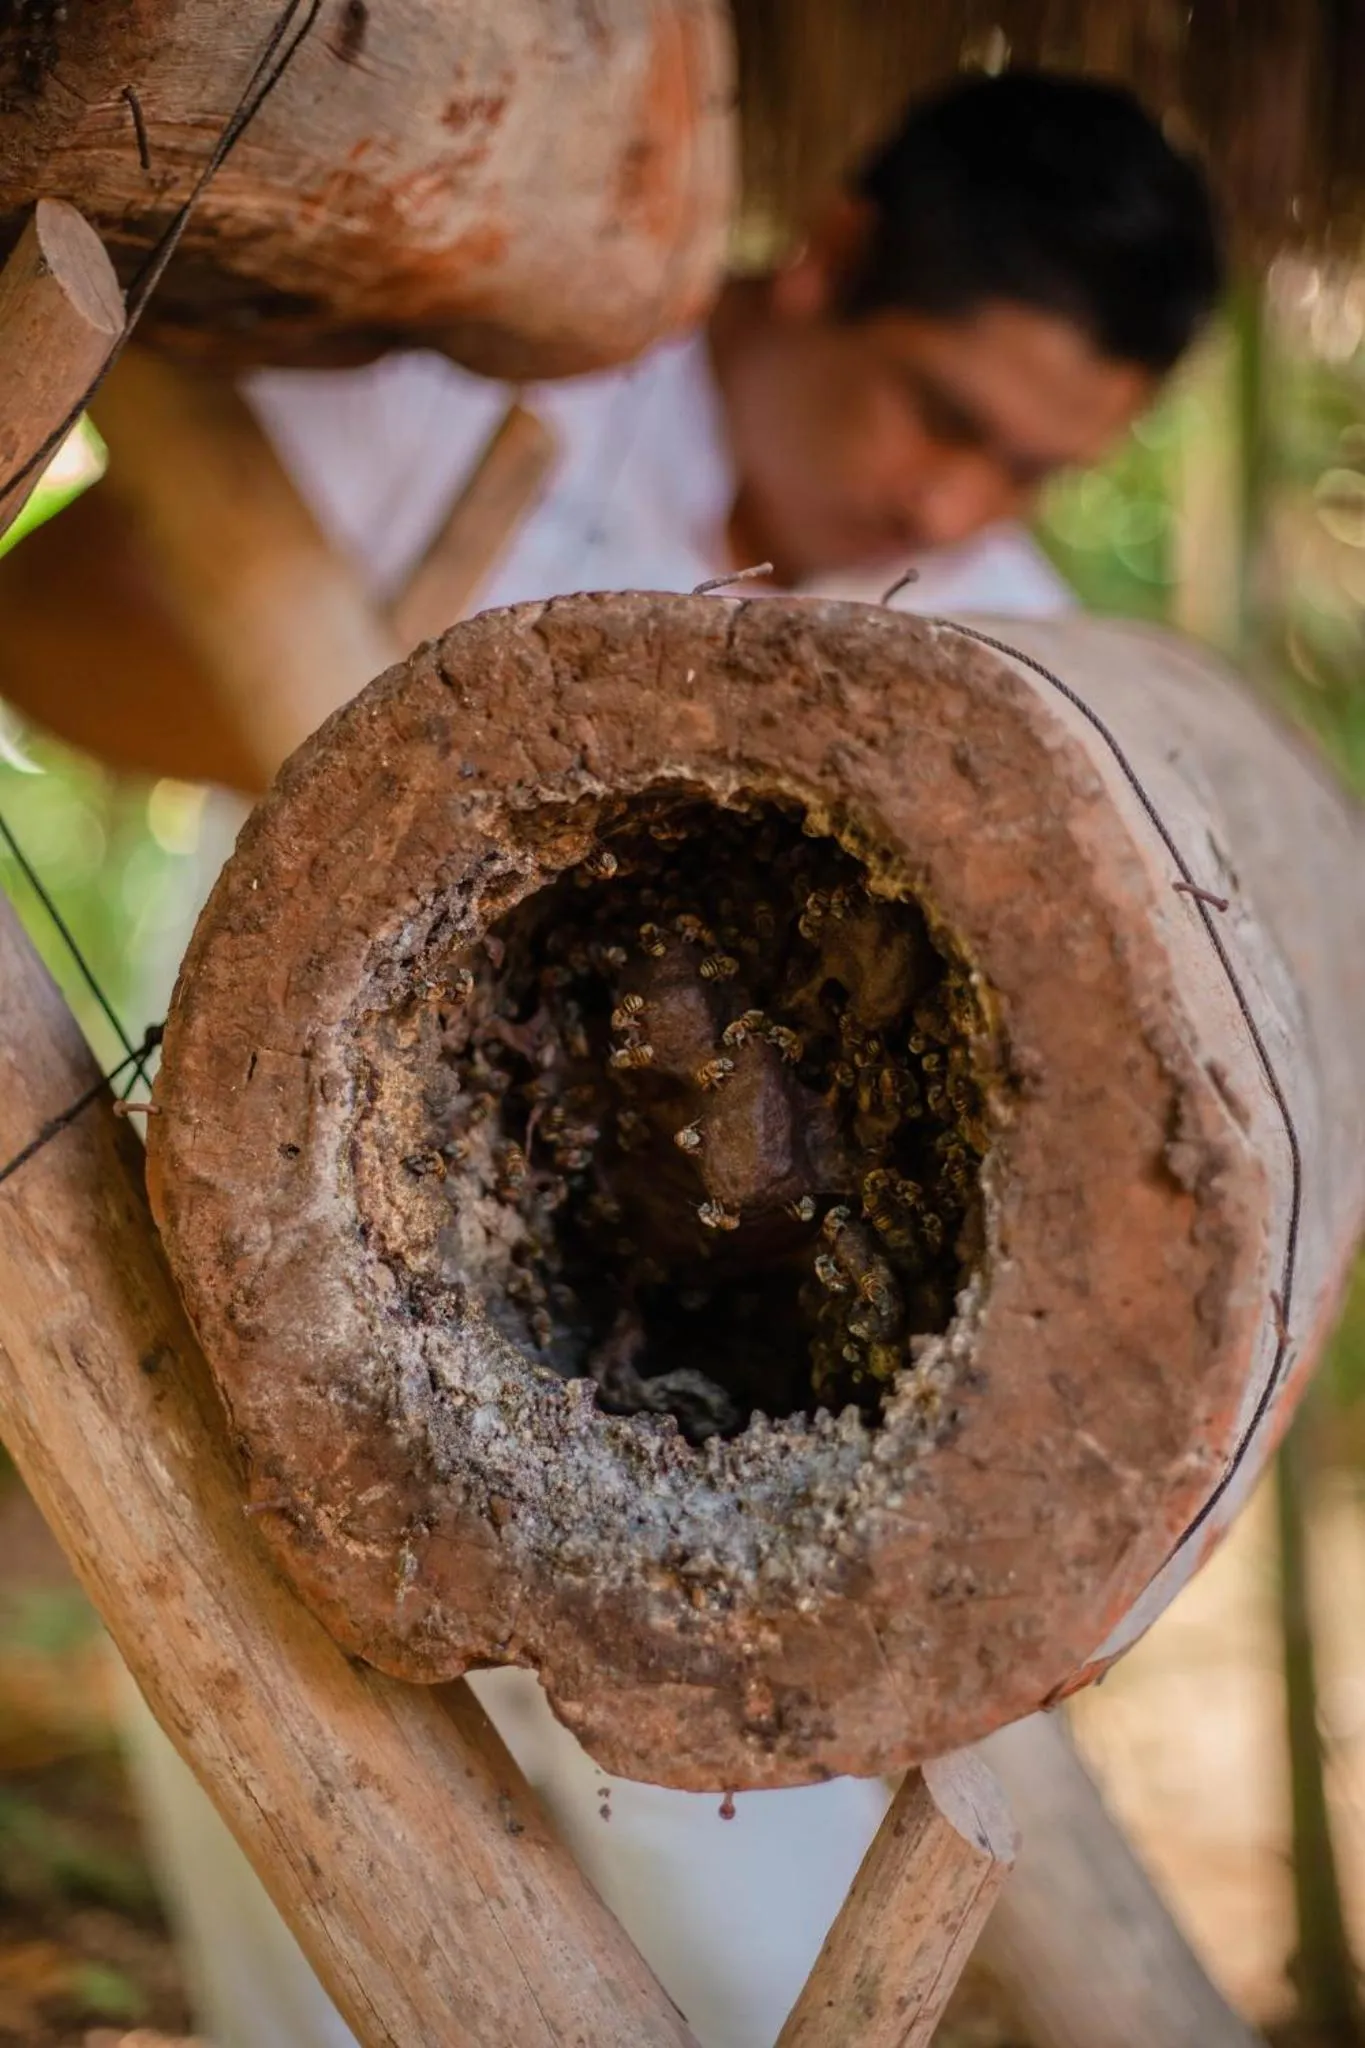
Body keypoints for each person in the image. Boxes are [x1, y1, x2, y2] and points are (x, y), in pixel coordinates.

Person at [119, 68, 1224, 2048]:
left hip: (763, 1419)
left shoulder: (1013, 662)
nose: (958, 508)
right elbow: (40, 616)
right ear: (829, 263)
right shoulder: (466, 408)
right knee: (310, 1927)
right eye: (944, 415)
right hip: (317, 1272)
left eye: (1031, 473)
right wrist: (370, 725)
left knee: (734, 1958)